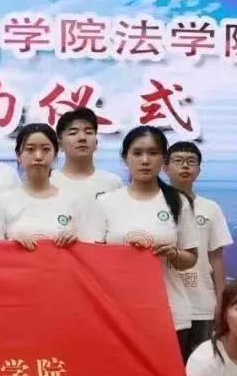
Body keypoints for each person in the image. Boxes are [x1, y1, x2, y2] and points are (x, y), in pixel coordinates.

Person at [84, 125, 198, 354]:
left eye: (153, 153)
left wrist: (173, 253)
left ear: (163, 160)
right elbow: (91, 260)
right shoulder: (106, 202)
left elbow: (191, 258)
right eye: (137, 153)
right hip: (118, 313)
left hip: (169, 312)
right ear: (125, 158)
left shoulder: (179, 202)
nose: (145, 160)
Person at [165, 141, 234, 356]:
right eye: (178, 161)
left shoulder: (211, 208)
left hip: (201, 303)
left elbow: (217, 258)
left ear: (199, 169)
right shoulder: (155, 205)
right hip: (166, 301)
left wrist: (222, 301)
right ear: (165, 167)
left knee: (199, 364)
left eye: (191, 161)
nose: (185, 166)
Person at [0, 123, 85, 249]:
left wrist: (75, 239)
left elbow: (88, 250)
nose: (38, 156)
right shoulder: (2, 202)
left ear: (55, 154)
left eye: (46, 149)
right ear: (18, 155)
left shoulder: (72, 200)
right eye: (30, 149)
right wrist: (10, 244)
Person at [52, 107, 123, 202]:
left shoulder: (114, 183)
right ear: (60, 145)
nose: (82, 138)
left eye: (88, 132)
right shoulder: (49, 181)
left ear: (96, 143)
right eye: (73, 133)